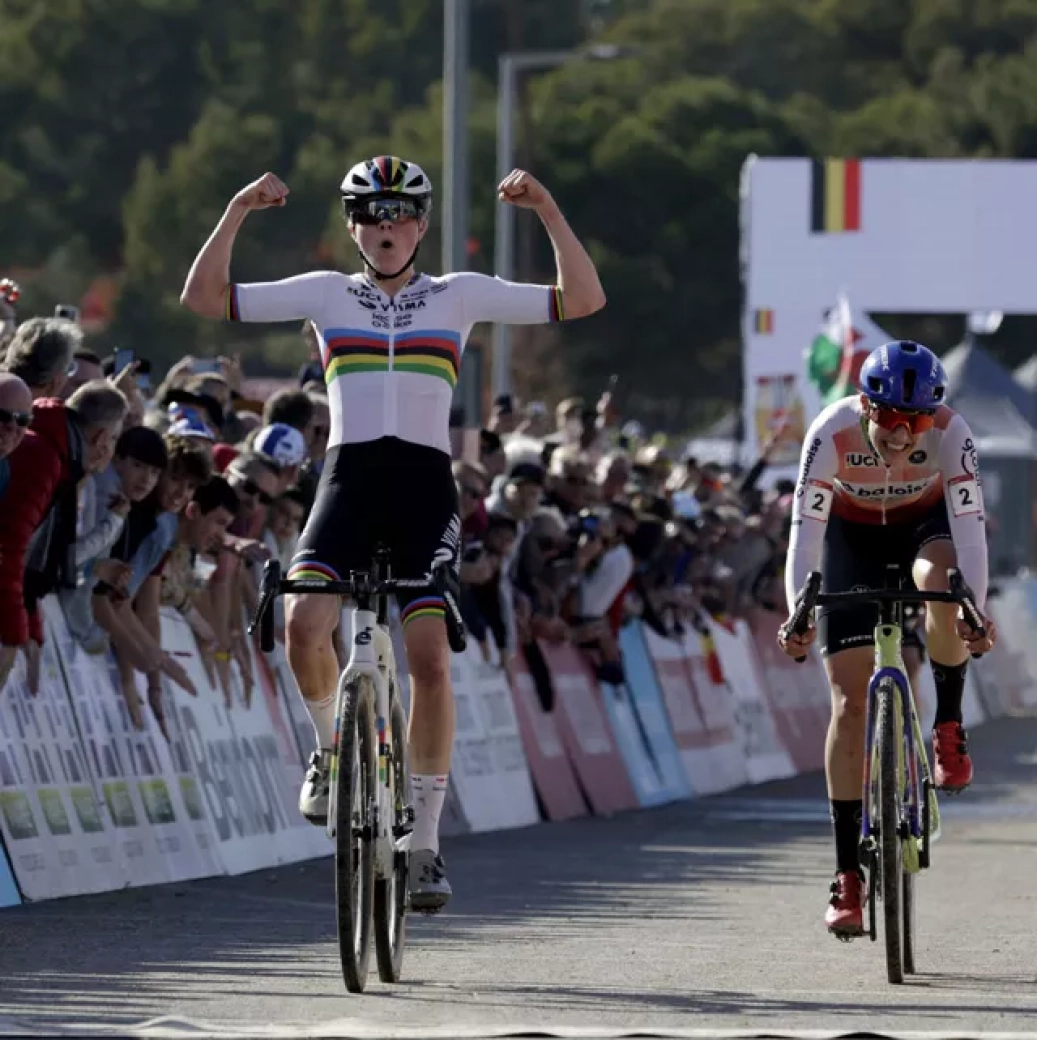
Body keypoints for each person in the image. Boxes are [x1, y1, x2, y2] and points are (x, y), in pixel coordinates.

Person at [180, 155, 605, 912]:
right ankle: (328, 749)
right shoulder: (324, 293)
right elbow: (203, 296)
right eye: (370, 214)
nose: (385, 226)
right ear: (351, 226)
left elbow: (584, 297)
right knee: (302, 624)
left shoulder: (457, 295)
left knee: (429, 658)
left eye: (400, 213)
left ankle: (426, 845)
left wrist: (544, 207)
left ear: (421, 224)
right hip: (345, 482)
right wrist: (240, 207)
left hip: (421, 487)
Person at [776, 340, 996, 938]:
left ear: (933, 416)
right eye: (890, 419)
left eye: (916, 421)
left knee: (942, 586)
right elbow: (804, 535)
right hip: (851, 539)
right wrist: (798, 611)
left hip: (926, 531)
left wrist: (972, 606)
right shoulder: (830, 431)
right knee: (848, 704)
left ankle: (948, 725)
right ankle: (848, 875)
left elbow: (971, 535)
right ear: (866, 407)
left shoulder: (954, 434)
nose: (902, 435)